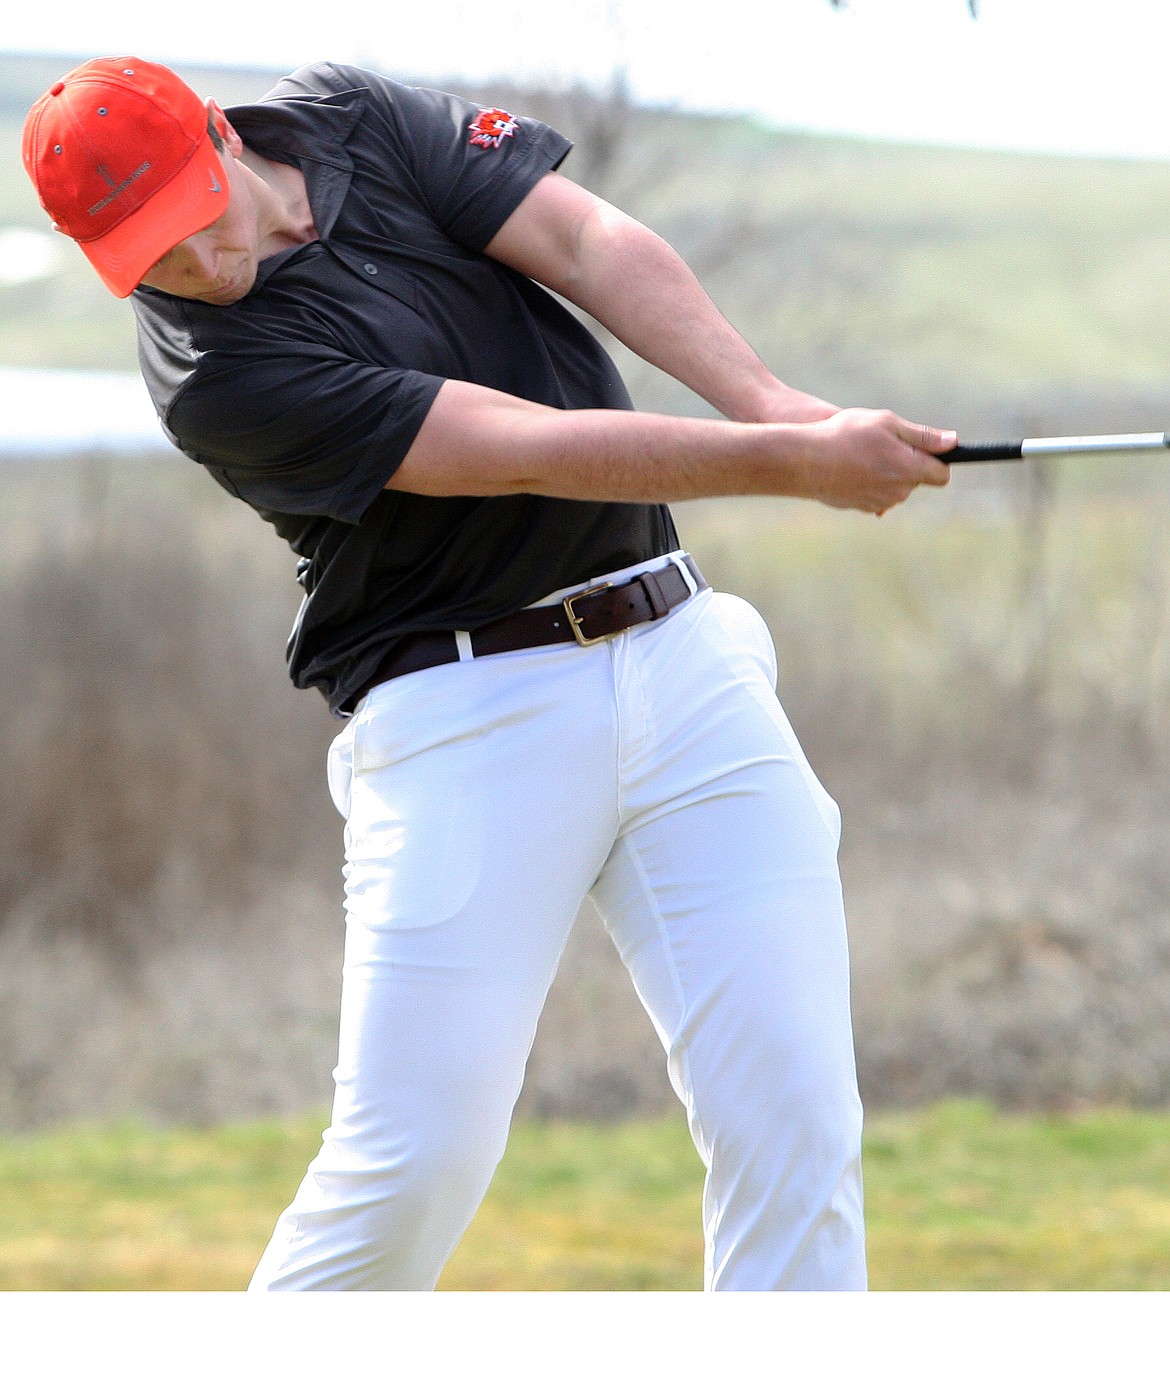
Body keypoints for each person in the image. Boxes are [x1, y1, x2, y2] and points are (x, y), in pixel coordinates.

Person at [22, 54, 955, 1291]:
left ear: (220, 139)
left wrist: (777, 406)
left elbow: (582, 240)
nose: (189, 268)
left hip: (683, 661)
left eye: (190, 219)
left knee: (798, 1124)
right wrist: (789, 464)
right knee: (412, 1170)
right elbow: (523, 447)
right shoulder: (217, 378)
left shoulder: (348, 114)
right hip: (466, 717)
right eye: (144, 256)